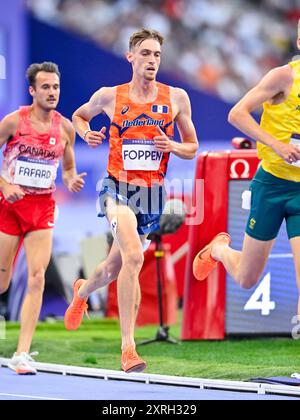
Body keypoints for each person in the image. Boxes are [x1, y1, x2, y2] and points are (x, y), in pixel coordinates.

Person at [64, 28, 198, 373]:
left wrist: (173, 147)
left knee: (111, 268)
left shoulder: (177, 98)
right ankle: (128, 348)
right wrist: (86, 133)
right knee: (134, 258)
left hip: (151, 194)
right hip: (117, 188)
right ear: (131, 57)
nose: (152, 60)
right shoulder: (110, 96)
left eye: (156, 55)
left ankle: (81, 292)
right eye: (146, 54)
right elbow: (78, 116)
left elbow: (192, 146)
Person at [193, 21, 300, 317]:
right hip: (273, 185)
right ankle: (219, 250)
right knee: (247, 277)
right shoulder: (284, 77)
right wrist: (276, 145)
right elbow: (236, 113)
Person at [0, 62, 86, 375]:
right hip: (9, 208)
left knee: (37, 278)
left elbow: (67, 168)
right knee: (2, 282)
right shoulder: (13, 122)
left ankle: (21, 353)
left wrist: (72, 179)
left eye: (56, 87)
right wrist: (5, 184)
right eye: (46, 87)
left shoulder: (65, 128)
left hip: (42, 209)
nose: (52, 92)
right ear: (33, 91)